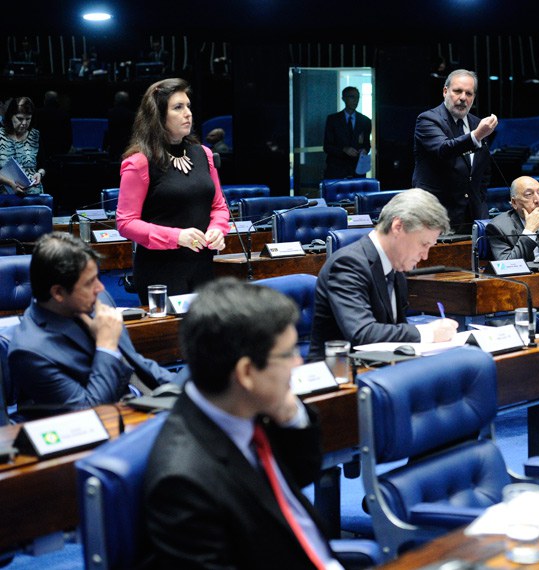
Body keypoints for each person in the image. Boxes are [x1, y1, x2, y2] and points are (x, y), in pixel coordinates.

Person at [144, 278, 344, 569]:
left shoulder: (241, 406)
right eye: (288, 354)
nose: (298, 364)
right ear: (247, 373)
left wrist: (291, 416)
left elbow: (300, 474)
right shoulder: (183, 484)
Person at [8, 233, 181, 417]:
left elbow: (135, 361)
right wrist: (106, 347)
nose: (101, 288)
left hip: (149, 401)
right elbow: (87, 412)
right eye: (89, 282)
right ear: (58, 293)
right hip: (109, 424)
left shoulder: (96, 300)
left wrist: (183, 386)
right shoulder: (30, 352)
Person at [308, 188, 459, 360]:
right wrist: (428, 332)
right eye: (424, 244)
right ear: (398, 227)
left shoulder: (396, 267)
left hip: (382, 367)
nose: (425, 256)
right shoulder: (347, 264)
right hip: (342, 374)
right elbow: (363, 334)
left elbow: (395, 332)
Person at [116, 78, 229, 304]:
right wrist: (177, 237)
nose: (188, 113)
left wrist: (218, 229)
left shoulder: (203, 154)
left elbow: (218, 207)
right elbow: (125, 223)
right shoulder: (139, 162)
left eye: (188, 106)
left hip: (202, 266)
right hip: (160, 271)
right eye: (178, 107)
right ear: (158, 115)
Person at [412, 69, 498, 233]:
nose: (463, 98)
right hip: (435, 215)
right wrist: (477, 135)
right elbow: (444, 149)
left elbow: (484, 171)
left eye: (469, 93)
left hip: (472, 215)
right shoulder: (428, 119)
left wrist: (480, 201)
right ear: (445, 91)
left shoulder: (477, 123)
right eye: (457, 91)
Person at [486, 175, 539, 262]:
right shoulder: (499, 228)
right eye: (529, 194)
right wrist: (530, 231)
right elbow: (506, 264)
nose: (538, 200)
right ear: (514, 202)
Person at [322, 86, 371, 179]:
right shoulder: (333, 119)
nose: (355, 100)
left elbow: (367, 145)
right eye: (352, 97)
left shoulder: (365, 121)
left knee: (358, 193)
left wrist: (364, 150)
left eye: (357, 97)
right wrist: (344, 150)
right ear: (343, 98)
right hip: (337, 169)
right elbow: (327, 146)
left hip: (357, 170)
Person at [0, 96, 46, 195]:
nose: (24, 123)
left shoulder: (35, 135)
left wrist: (39, 174)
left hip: (34, 196)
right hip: (4, 197)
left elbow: (43, 165)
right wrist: (11, 183)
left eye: (28, 119)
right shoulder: (1, 136)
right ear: (10, 116)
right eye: (20, 118)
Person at [35, 90, 72, 161]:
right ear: (57, 101)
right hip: (59, 153)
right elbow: (68, 137)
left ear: (45, 101)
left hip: (41, 153)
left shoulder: (37, 114)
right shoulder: (64, 115)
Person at [104, 90, 135, 161]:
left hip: (113, 146)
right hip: (127, 146)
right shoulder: (132, 115)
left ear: (115, 101)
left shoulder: (110, 114)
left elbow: (106, 131)